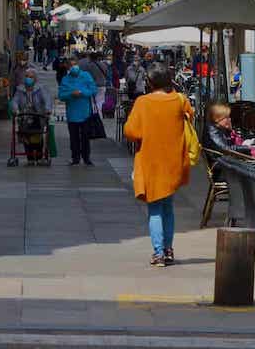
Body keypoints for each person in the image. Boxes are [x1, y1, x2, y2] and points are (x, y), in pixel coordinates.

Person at [124, 63, 193, 267]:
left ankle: (158, 252)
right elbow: (191, 114)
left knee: (154, 209)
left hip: (151, 161)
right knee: (168, 207)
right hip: (173, 161)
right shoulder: (179, 100)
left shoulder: (143, 102)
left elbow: (131, 131)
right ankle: (168, 249)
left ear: (150, 82)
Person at [10, 69, 52, 164]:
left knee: (36, 135)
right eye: (27, 76)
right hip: (24, 117)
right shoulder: (20, 90)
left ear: (35, 79)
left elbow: (47, 99)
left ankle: (39, 155)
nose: (28, 78)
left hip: (37, 116)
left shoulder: (40, 89)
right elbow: (15, 101)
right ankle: (30, 158)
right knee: (26, 136)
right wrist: (15, 109)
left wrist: (47, 109)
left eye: (31, 77)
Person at [58, 64, 97, 166]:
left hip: (85, 113)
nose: (72, 67)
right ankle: (75, 157)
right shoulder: (65, 79)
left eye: (74, 64)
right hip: (72, 113)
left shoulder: (86, 76)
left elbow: (93, 90)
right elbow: (61, 95)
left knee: (85, 136)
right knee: (73, 137)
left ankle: (86, 157)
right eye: (70, 65)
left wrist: (82, 92)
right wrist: (71, 94)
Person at [78, 52, 108, 117]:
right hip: (102, 85)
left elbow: (86, 76)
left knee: (92, 101)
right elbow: (106, 73)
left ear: (91, 58)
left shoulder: (89, 66)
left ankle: (93, 115)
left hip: (93, 86)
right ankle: (99, 115)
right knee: (100, 101)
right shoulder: (103, 65)